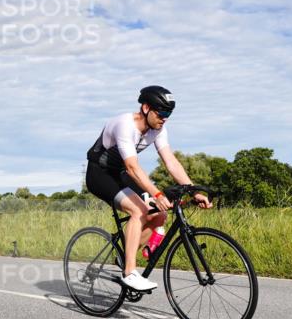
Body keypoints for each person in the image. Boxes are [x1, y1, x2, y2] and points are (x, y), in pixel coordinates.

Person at [85, 85, 211, 291]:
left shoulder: (158, 129)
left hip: (121, 174)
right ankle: (129, 272)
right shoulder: (124, 125)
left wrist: (194, 191)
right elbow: (133, 167)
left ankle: (125, 257)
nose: (165, 118)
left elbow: (170, 161)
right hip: (99, 173)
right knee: (139, 211)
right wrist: (157, 193)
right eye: (161, 112)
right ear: (145, 108)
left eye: (169, 113)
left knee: (159, 214)